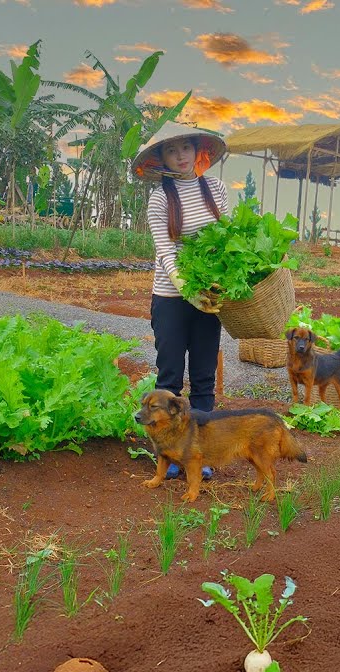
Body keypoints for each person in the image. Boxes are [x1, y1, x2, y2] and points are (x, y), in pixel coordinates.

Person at [133, 122, 231, 479]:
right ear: (162, 159)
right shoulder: (160, 198)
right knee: (171, 374)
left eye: (185, 149)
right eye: (171, 152)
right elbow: (165, 250)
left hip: (208, 298)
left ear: (197, 150)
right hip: (171, 297)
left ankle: (200, 453)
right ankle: (169, 454)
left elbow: (226, 237)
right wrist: (183, 286)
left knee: (204, 375)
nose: (180, 157)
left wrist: (215, 287)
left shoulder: (215, 188)